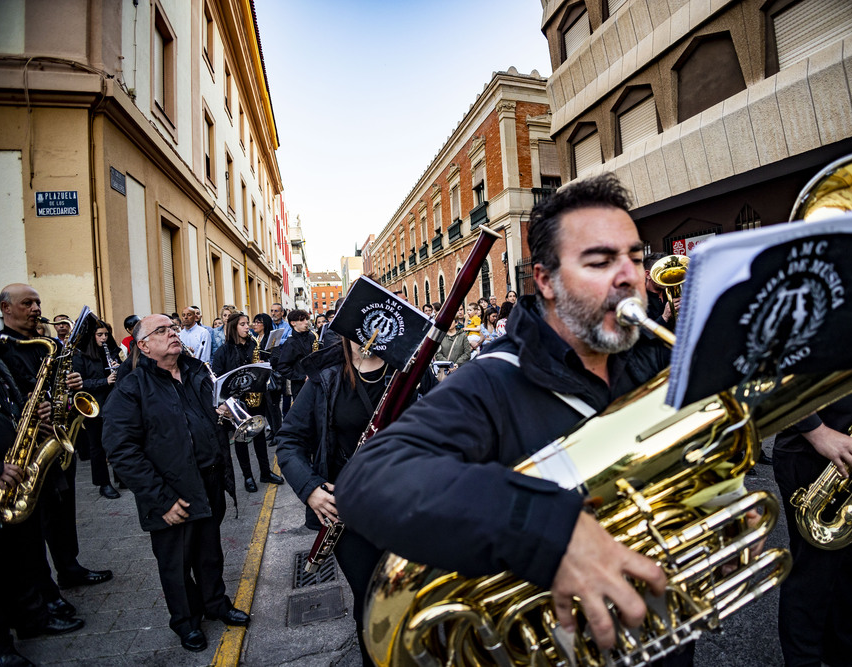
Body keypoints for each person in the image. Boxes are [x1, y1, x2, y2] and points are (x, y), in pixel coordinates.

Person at [336, 174, 675, 659]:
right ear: (545, 281)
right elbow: (369, 479)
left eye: (635, 259)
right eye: (600, 261)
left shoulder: (657, 357)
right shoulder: (492, 379)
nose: (629, 277)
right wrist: (547, 525)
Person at [276, 335, 437, 664]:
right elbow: (289, 440)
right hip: (350, 513)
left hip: (407, 504)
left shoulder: (410, 367)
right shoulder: (326, 377)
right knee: (372, 599)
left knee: (415, 595)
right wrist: (311, 489)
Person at [102, 314, 250, 652]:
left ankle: (216, 603)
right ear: (144, 345)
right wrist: (161, 500)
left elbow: (204, 417)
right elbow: (121, 451)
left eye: (173, 328)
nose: (173, 333)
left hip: (209, 479)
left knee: (210, 552)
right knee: (176, 562)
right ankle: (186, 621)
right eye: (162, 330)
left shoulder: (197, 370)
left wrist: (223, 417)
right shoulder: (132, 386)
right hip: (171, 492)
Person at [0, 294, 83, 666]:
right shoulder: (1, 353)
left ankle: (33, 614)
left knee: (23, 550)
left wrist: (37, 409)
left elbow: (10, 407)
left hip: (20, 462)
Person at [0, 284, 113, 597]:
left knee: (63, 509)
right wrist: (29, 407)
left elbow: (58, 382)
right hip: (29, 443)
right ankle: (43, 589)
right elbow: (7, 395)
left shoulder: (46, 343)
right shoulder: (2, 348)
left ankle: (69, 567)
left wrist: (74, 384)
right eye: (27, 303)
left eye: (37, 302)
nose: (36, 308)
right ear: (6, 308)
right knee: (37, 519)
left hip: (58, 436)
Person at [773, 389, 852, 667]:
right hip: (815, 452)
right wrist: (816, 431)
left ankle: (842, 648)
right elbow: (774, 367)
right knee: (815, 571)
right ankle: (803, 660)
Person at [212, 313, 284, 493]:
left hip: (256, 397)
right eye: (243, 324)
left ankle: (265, 472)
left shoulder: (254, 345)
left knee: (259, 436)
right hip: (236, 403)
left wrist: (260, 365)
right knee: (242, 440)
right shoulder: (223, 351)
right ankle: (248, 476)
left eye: (247, 323)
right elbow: (217, 377)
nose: (247, 327)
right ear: (233, 327)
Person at [73, 319, 122, 499]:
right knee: (98, 447)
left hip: (113, 403)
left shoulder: (111, 351)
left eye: (106, 335)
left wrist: (119, 368)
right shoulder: (80, 355)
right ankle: (103, 483)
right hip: (94, 406)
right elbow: (79, 383)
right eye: (99, 335)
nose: (103, 338)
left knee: (117, 441)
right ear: (92, 336)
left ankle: (121, 477)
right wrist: (104, 381)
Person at [276, 309, 318, 398]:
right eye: (302, 320)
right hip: (300, 387)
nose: (306, 322)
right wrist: (301, 377)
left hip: (316, 382)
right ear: (293, 323)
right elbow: (282, 367)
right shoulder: (290, 343)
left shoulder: (312, 336)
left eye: (306, 319)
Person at [643, 253, 674, 328]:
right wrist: (664, 317)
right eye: (661, 272)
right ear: (648, 275)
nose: (667, 276)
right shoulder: (639, 299)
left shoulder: (672, 292)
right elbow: (642, 335)